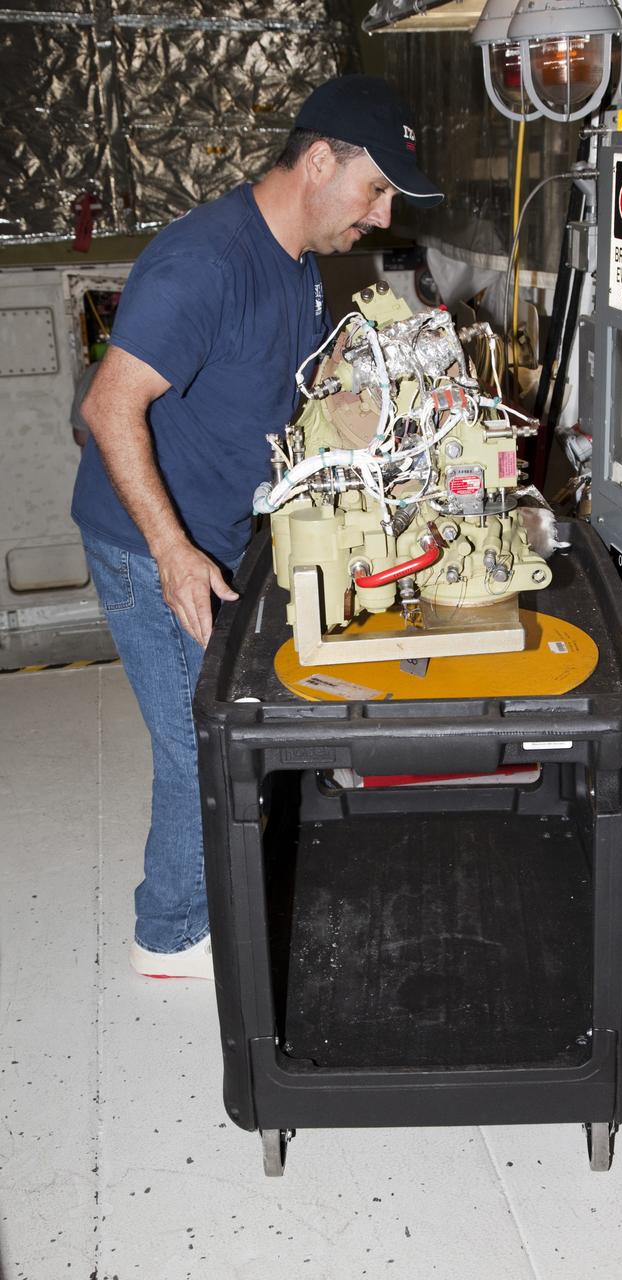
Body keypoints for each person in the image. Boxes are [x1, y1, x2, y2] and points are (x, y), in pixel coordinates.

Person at [71, 75, 443, 980]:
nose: (382, 216)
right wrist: (172, 553)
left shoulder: (296, 257)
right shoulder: (205, 260)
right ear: (318, 162)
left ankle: (223, 890)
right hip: (153, 543)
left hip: (224, 530)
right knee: (198, 740)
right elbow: (107, 407)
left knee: (232, 721)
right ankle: (171, 934)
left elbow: (272, 377)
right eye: (375, 190)